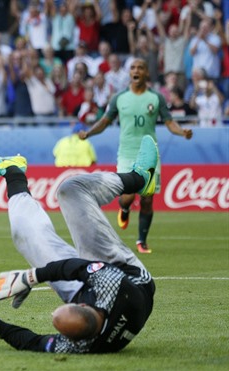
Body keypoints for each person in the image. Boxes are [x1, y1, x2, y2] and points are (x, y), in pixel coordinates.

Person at [0, 136, 158, 353]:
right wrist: (30, 278)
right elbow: (74, 268)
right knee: (71, 189)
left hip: (93, 289)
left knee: (24, 236)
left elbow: (33, 342)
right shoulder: (113, 286)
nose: (55, 309)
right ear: (80, 306)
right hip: (125, 273)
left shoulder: (80, 345)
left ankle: (12, 171)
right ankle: (140, 178)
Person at [78, 59, 193, 254]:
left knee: (147, 199)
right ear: (129, 73)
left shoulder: (156, 98)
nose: (136, 70)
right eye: (132, 67)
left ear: (146, 72)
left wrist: (182, 132)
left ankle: (142, 240)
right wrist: (89, 133)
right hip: (127, 154)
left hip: (149, 155)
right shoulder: (119, 98)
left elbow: (169, 122)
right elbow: (105, 121)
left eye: (140, 67)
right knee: (127, 197)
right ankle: (124, 209)